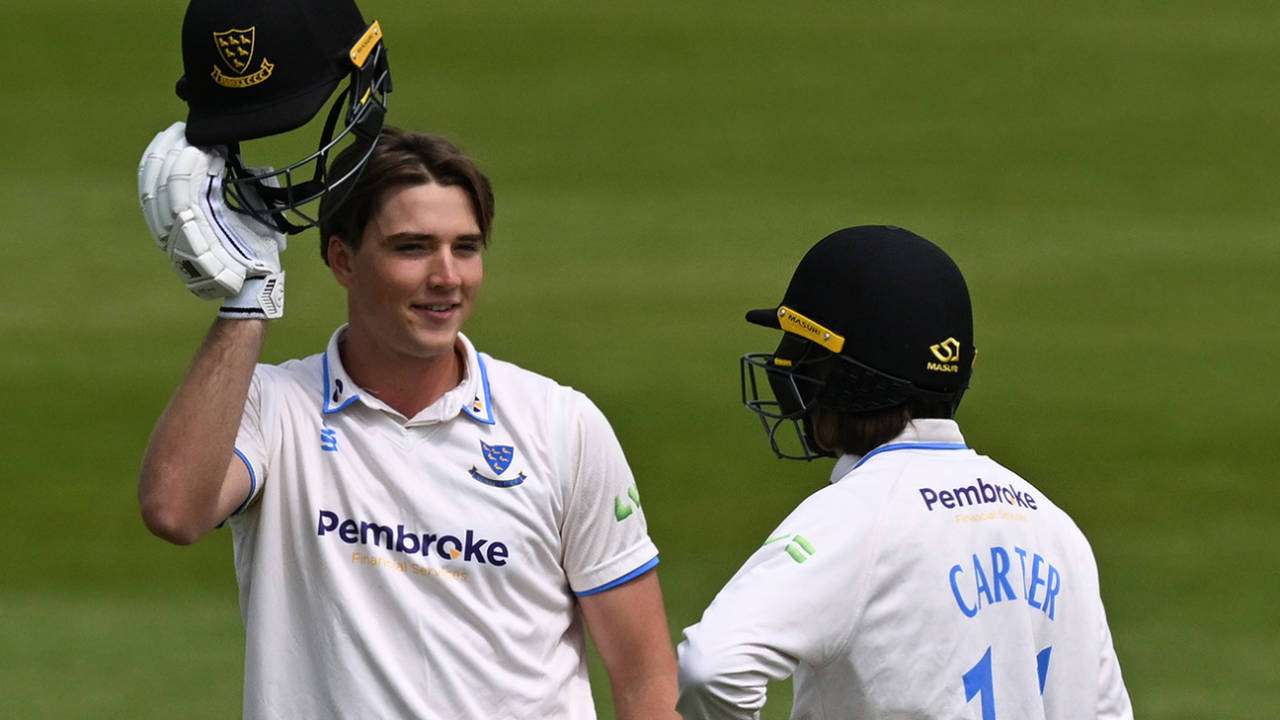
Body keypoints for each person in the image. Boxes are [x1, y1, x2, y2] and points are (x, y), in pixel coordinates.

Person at [136, 2, 679, 718]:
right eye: (412, 248)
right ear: (342, 261)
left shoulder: (561, 426)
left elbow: (644, 677)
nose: (447, 277)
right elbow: (174, 509)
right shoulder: (274, 410)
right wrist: (246, 300)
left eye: (466, 248)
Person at [675, 226, 1133, 719]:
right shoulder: (1053, 525)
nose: (788, 368)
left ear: (847, 377)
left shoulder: (856, 518)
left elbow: (714, 667)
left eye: (806, 354)